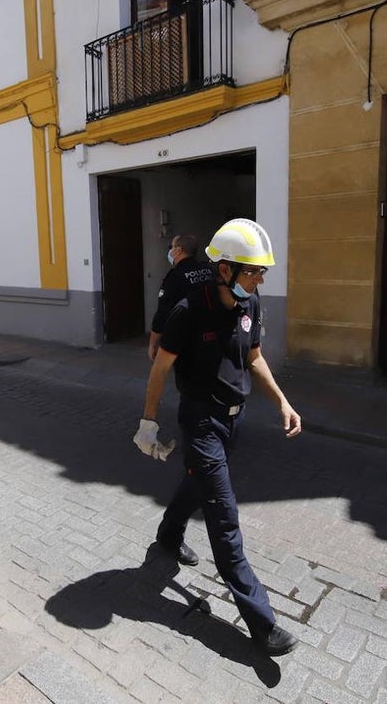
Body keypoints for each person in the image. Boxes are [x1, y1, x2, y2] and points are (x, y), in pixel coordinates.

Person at [135, 218, 303, 657]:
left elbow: (254, 357)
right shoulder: (188, 311)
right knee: (224, 518)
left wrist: (282, 402)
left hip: (234, 419)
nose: (260, 279)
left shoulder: (250, 303)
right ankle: (261, 622)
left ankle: (168, 535)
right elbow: (160, 368)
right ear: (225, 269)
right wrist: (148, 422)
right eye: (253, 271)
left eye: (262, 272)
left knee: (198, 480)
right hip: (201, 421)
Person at [149, 234, 214, 361]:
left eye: (171, 247)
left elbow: (163, 313)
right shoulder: (208, 270)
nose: (169, 250)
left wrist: (153, 344)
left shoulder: (175, 276)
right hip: (213, 335)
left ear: (178, 250)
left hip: (187, 341)